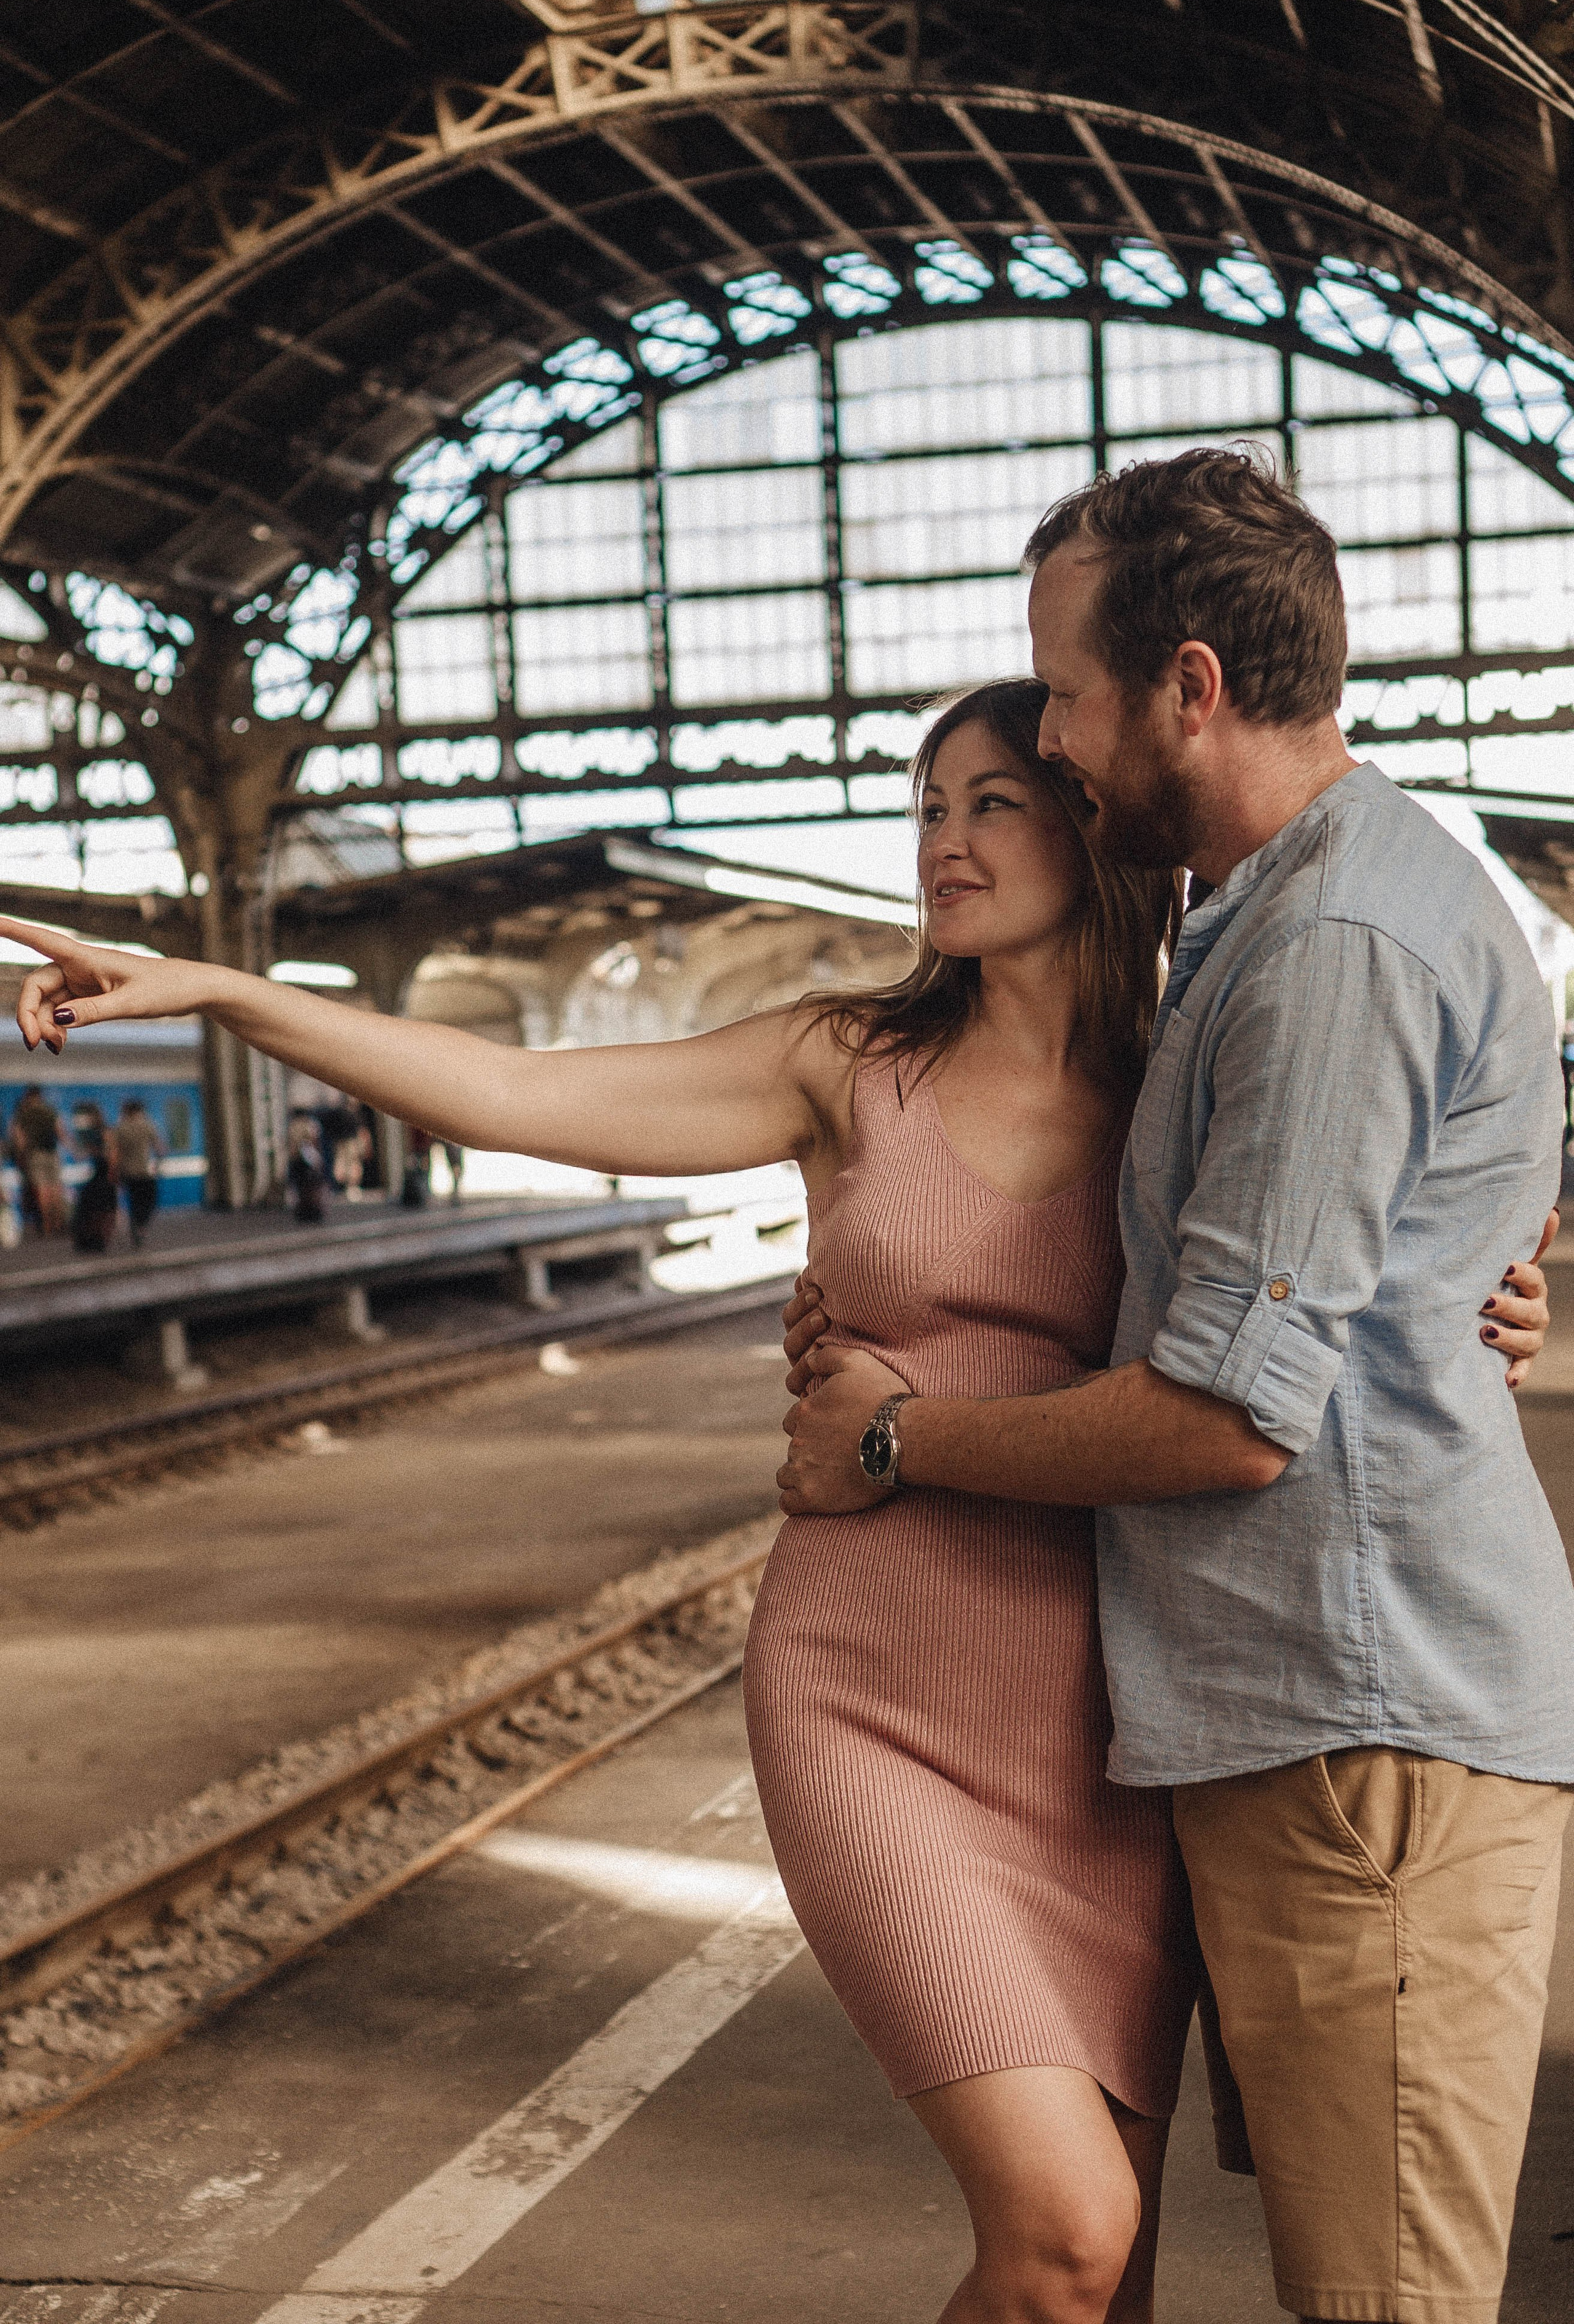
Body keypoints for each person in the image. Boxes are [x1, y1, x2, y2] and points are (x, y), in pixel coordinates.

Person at [0, 662, 1546, 2324]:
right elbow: (513, 1089)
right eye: (926, 811)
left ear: (1091, 828)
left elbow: (1339, 1276)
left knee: (1092, 2285)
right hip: (871, 1687)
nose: (943, 844)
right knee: (1069, 2231)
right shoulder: (844, 1062)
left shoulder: (1194, 1080)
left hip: (1115, 1716)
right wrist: (234, 993)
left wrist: (1480, 1314)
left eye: (992, 805)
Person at [780, 449, 1574, 2324]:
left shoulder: (1329, 943)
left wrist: (894, 1438)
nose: (1050, 737)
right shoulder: (1271, 912)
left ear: (1188, 686)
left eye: (1061, 690)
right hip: (1279, 1718)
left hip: (1354, 1732)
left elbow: (1226, 1412)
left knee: (1379, 2294)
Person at [7, 1083, 65, 1237]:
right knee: (55, 1188)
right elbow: (60, 1131)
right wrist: (73, 1149)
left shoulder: (23, 1113)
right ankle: (57, 1224)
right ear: (40, 1096)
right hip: (52, 1153)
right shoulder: (50, 1110)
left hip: (35, 1155)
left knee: (42, 1190)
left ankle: (46, 1226)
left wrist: (20, 1155)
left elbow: (19, 1136)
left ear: (29, 1096)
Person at [68, 1099, 118, 1253]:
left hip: (106, 1174)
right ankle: (94, 1240)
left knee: (104, 1209)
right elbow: (87, 1152)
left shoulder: (105, 1132)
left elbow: (113, 1154)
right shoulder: (95, 1132)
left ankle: (101, 1240)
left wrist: (112, 1174)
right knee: (96, 1207)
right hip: (100, 1173)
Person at [113, 1098, 164, 1246]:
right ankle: (141, 1226)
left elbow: (115, 1152)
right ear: (139, 1111)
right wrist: (159, 1164)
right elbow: (159, 1148)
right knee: (150, 1202)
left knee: (135, 1202)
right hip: (145, 1172)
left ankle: (136, 1225)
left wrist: (116, 1172)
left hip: (127, 1173)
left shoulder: (120, 1128)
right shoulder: (148, 1125)